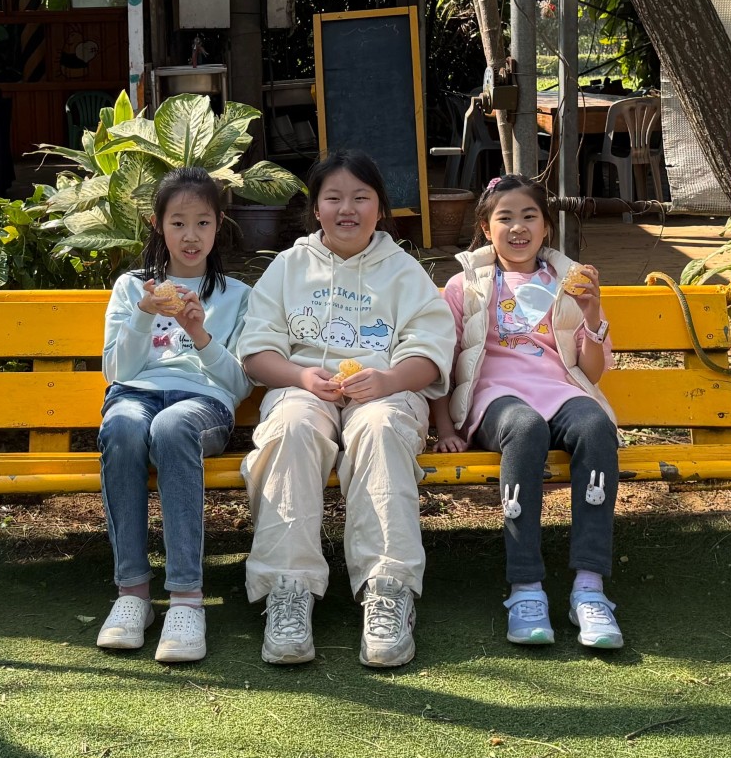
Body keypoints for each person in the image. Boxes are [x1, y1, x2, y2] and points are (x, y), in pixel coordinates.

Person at [235, 149, 454, 670]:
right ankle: (287, 589)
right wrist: (300, 376)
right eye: (333, 198)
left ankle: (388, 588)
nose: (347, 209)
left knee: (380, 428)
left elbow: (429, 352)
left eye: (361, 197)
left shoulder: (404, 272)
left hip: (386, 391)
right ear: (316, 208)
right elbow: (257, 350)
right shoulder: (288, 267)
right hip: (303, 388)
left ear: (380, 207)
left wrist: (389, 380)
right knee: (290, 427)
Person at [429, 175, 623, 650]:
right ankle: (526, 587)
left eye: (529, 216)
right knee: (525, 427)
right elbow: (439, 360)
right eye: (505, 218)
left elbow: (592, 372)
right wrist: (445, 427)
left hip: (559, 392)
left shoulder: (568, 282)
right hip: (495, 399)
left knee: (596, 425)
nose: (518, 227)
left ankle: (589, 588)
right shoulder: (464, 286)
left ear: (546, 227)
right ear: (485, 228)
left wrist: (592, 314)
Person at [94, 167, 252, 665]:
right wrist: (144, 315)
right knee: (121, 425)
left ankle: (186, 599)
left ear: (219, 224)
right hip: (134, 394)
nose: (190, 236)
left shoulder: (236, 295)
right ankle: (132, 594)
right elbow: (116, 371)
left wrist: (201, 336)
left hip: (201, 404)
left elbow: (239, 384)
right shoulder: (131, 289)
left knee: (171, 426)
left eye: (202, 223)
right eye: (178, 223)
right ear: (157, 225)